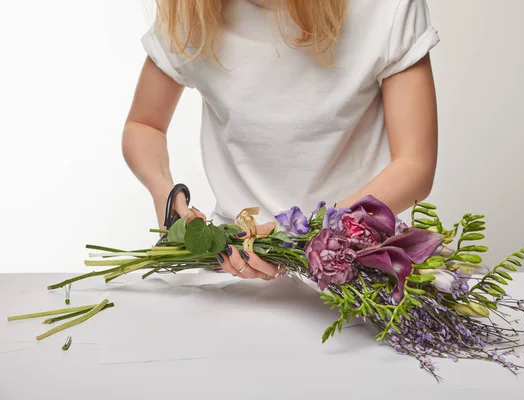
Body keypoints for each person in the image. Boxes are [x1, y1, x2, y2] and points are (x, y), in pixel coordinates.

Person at [123, 0, 440, 281]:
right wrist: (166, 195)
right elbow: (144, 124)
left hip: (357, 265)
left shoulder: (385, 8)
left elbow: (415, 166)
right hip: (233, 269)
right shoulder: (193, 9)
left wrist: (304, 234)